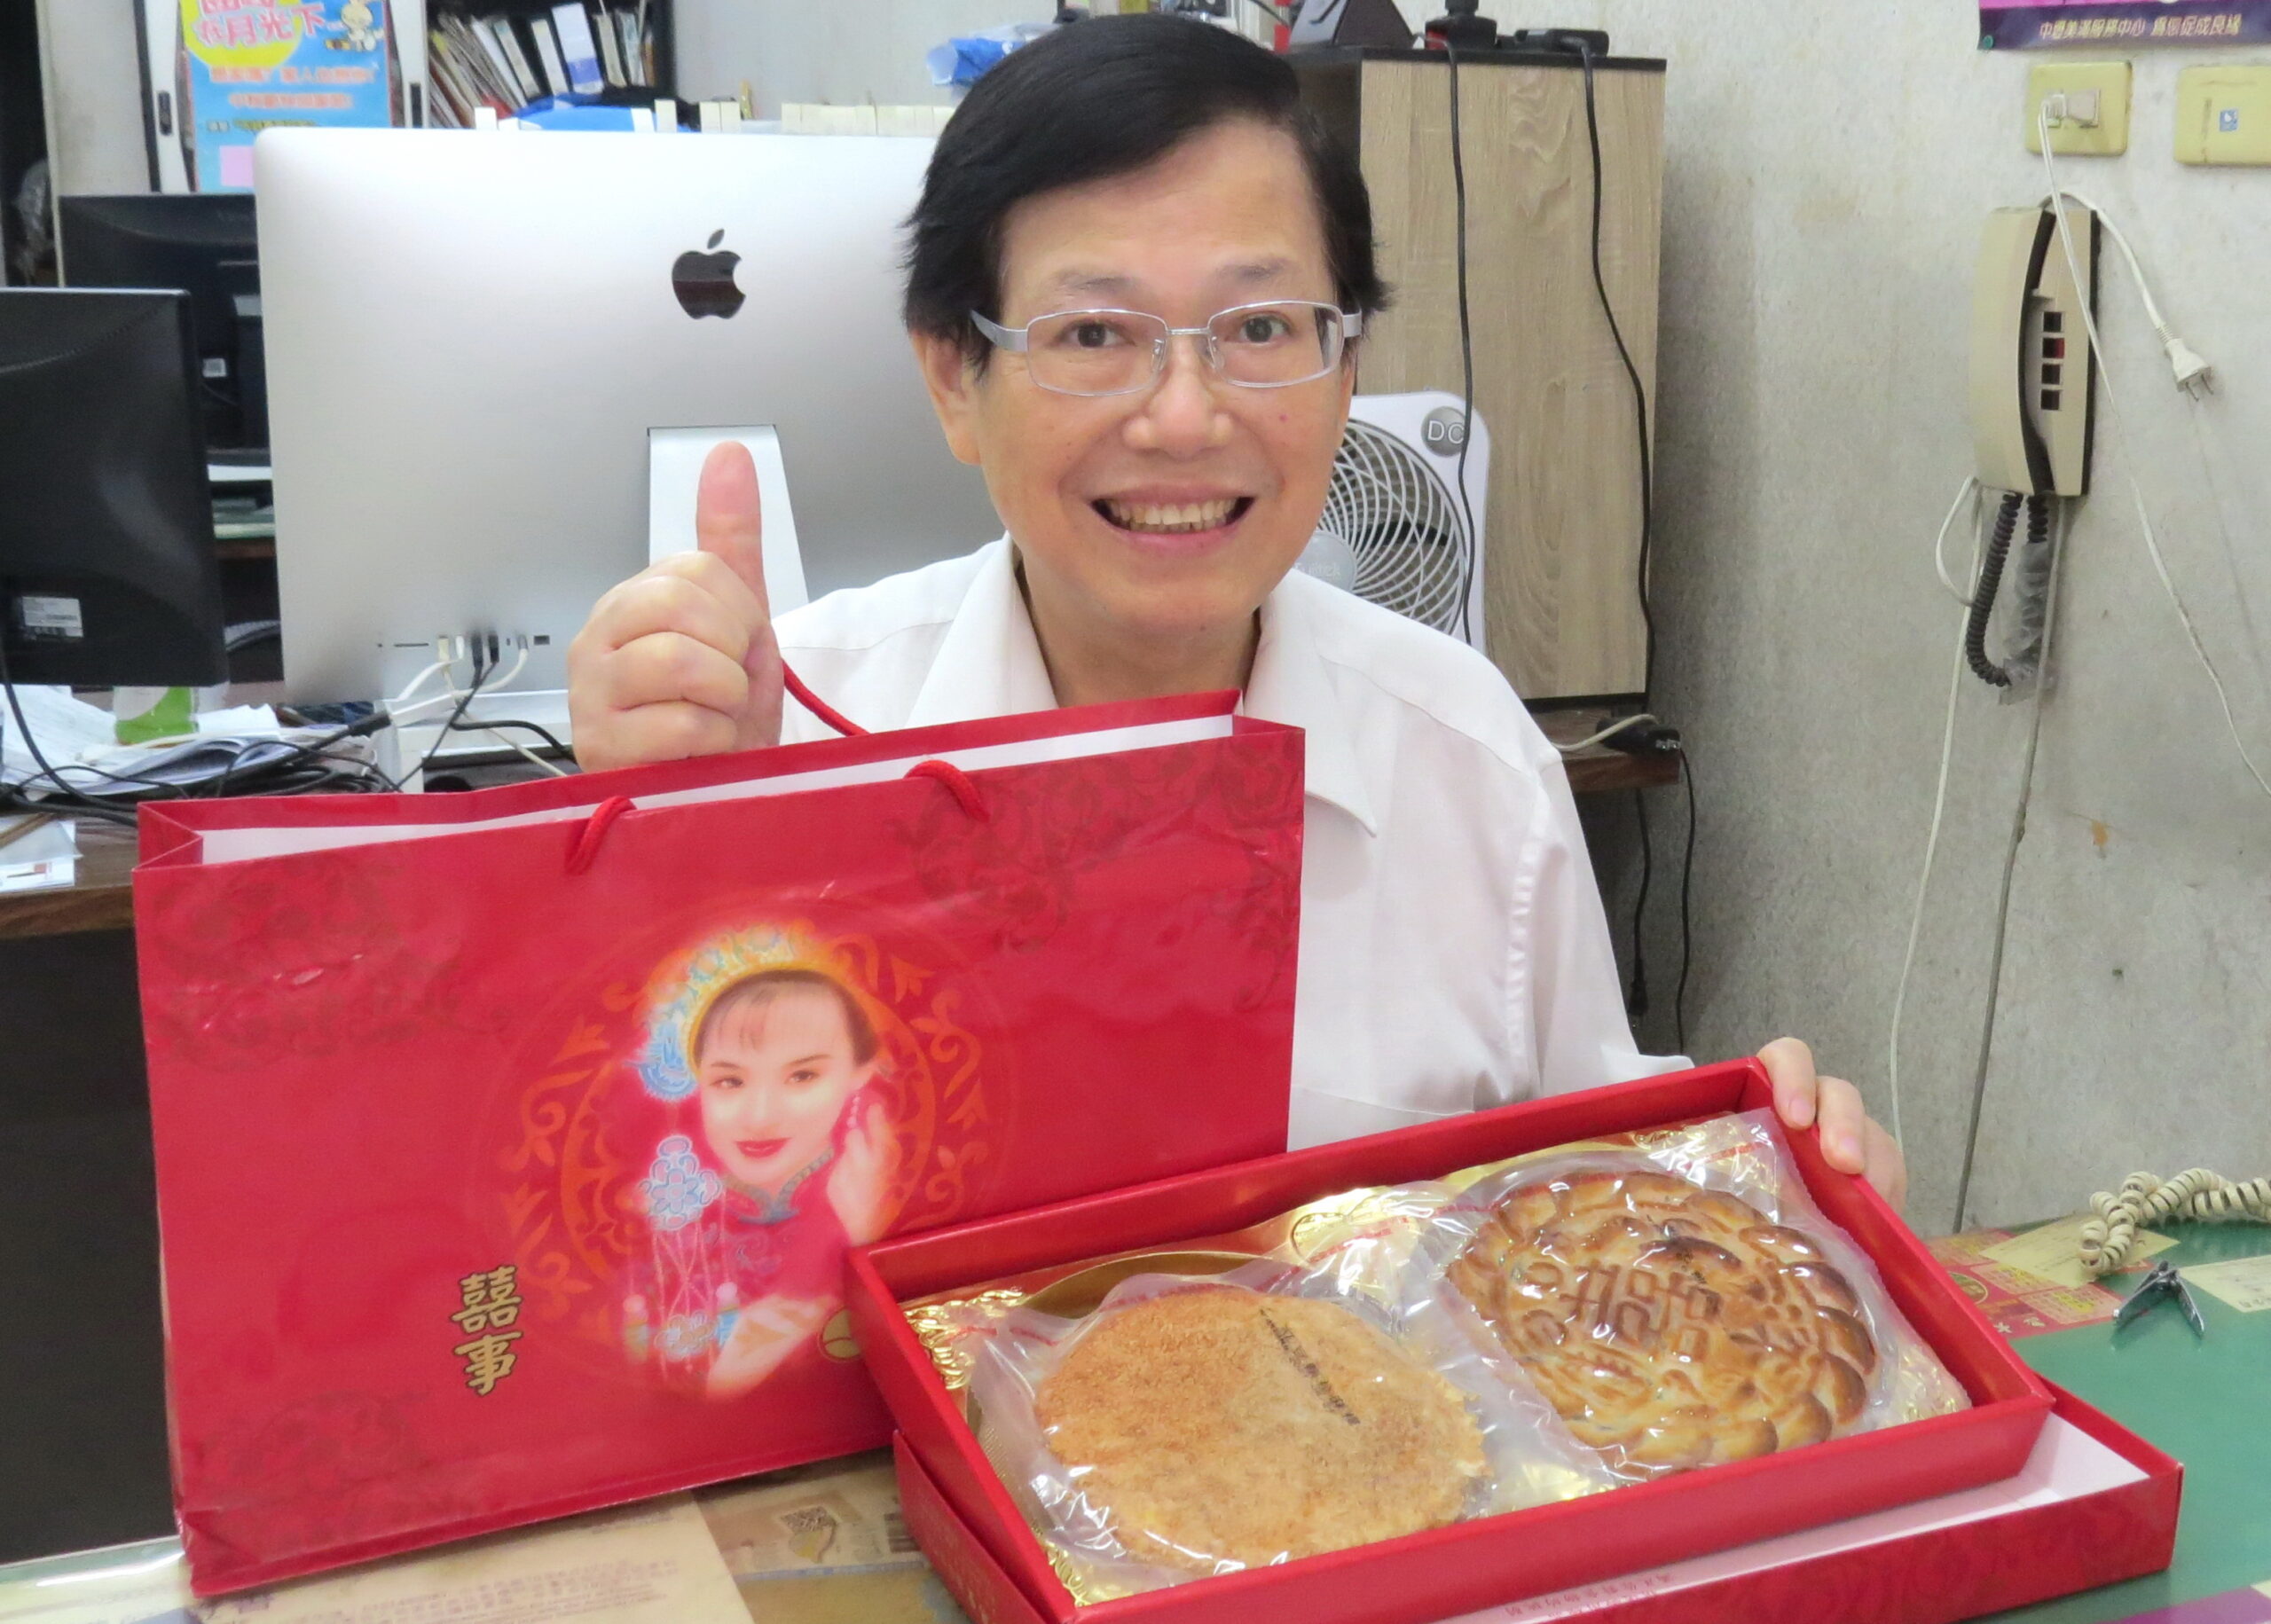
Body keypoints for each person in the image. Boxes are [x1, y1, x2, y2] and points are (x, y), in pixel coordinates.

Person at [567, 16, 1905, 1209]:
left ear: (1347, 365)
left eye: (1261, 328)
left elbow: (1591, 1183)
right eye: (1095, 335)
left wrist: (1775, 1178)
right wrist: (651, 878)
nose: (1185, 418)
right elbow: (615, 1232)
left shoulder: (1465, 754)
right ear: (952, 379)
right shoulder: (781, 737)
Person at [629, 967, 896, 1400]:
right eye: (729, 1081)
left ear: (859, 1075)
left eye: (803, 1076)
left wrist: (863, 1239)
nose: (760, 1116)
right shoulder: (672, 1209)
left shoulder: (880, 1194)